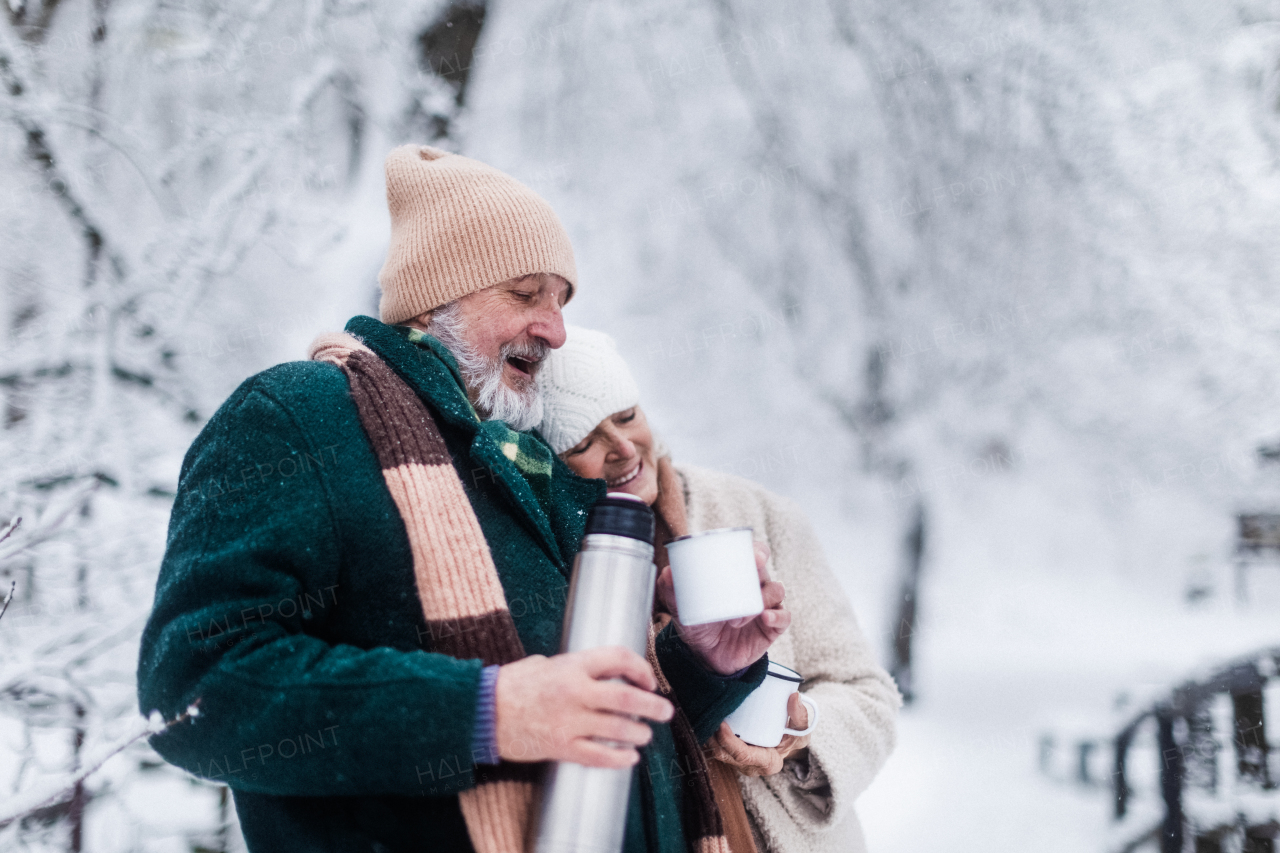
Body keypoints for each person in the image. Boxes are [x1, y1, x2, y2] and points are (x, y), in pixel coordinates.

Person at [136, 146, 788, 853]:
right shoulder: (301, 416)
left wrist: (699, 660)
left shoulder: (524, 466)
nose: (557, 329)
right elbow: (193, 690)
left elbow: (596, 727)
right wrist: (489, 712)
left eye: (562, 300)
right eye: (524, 293)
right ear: (437, 298)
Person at [537, 326, 902, 853]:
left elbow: (867, 692)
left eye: (627, 416)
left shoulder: (757, 515)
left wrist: (799, 733)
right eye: (582, 441)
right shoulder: (550, 557)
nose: (621, 448)